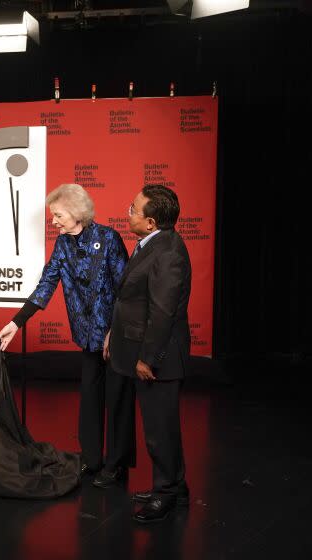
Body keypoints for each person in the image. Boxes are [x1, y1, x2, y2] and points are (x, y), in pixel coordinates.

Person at [0, 183, 130, 480]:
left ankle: (116, 465)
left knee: (118, 399)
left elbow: (127, 291)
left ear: (76, 213)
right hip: (87, 335)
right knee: (90, 396)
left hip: (116, 335)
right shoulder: (63, 244)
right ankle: (93, 460)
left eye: (57, 215)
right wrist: (16, 322)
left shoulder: (109, 238)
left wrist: (114, 331)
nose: (53, 221)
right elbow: (47, 284)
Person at [103, 184, 192, 523]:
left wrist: (147, 359)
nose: (128, 212)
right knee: (162, 426)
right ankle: (175, 486)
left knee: (159, 429)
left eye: (133, 208)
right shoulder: (153, 244)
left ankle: (166, 493)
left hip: (159, 358)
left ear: (152, 222)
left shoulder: (168, 253)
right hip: (141, 349)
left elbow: (163, 312)